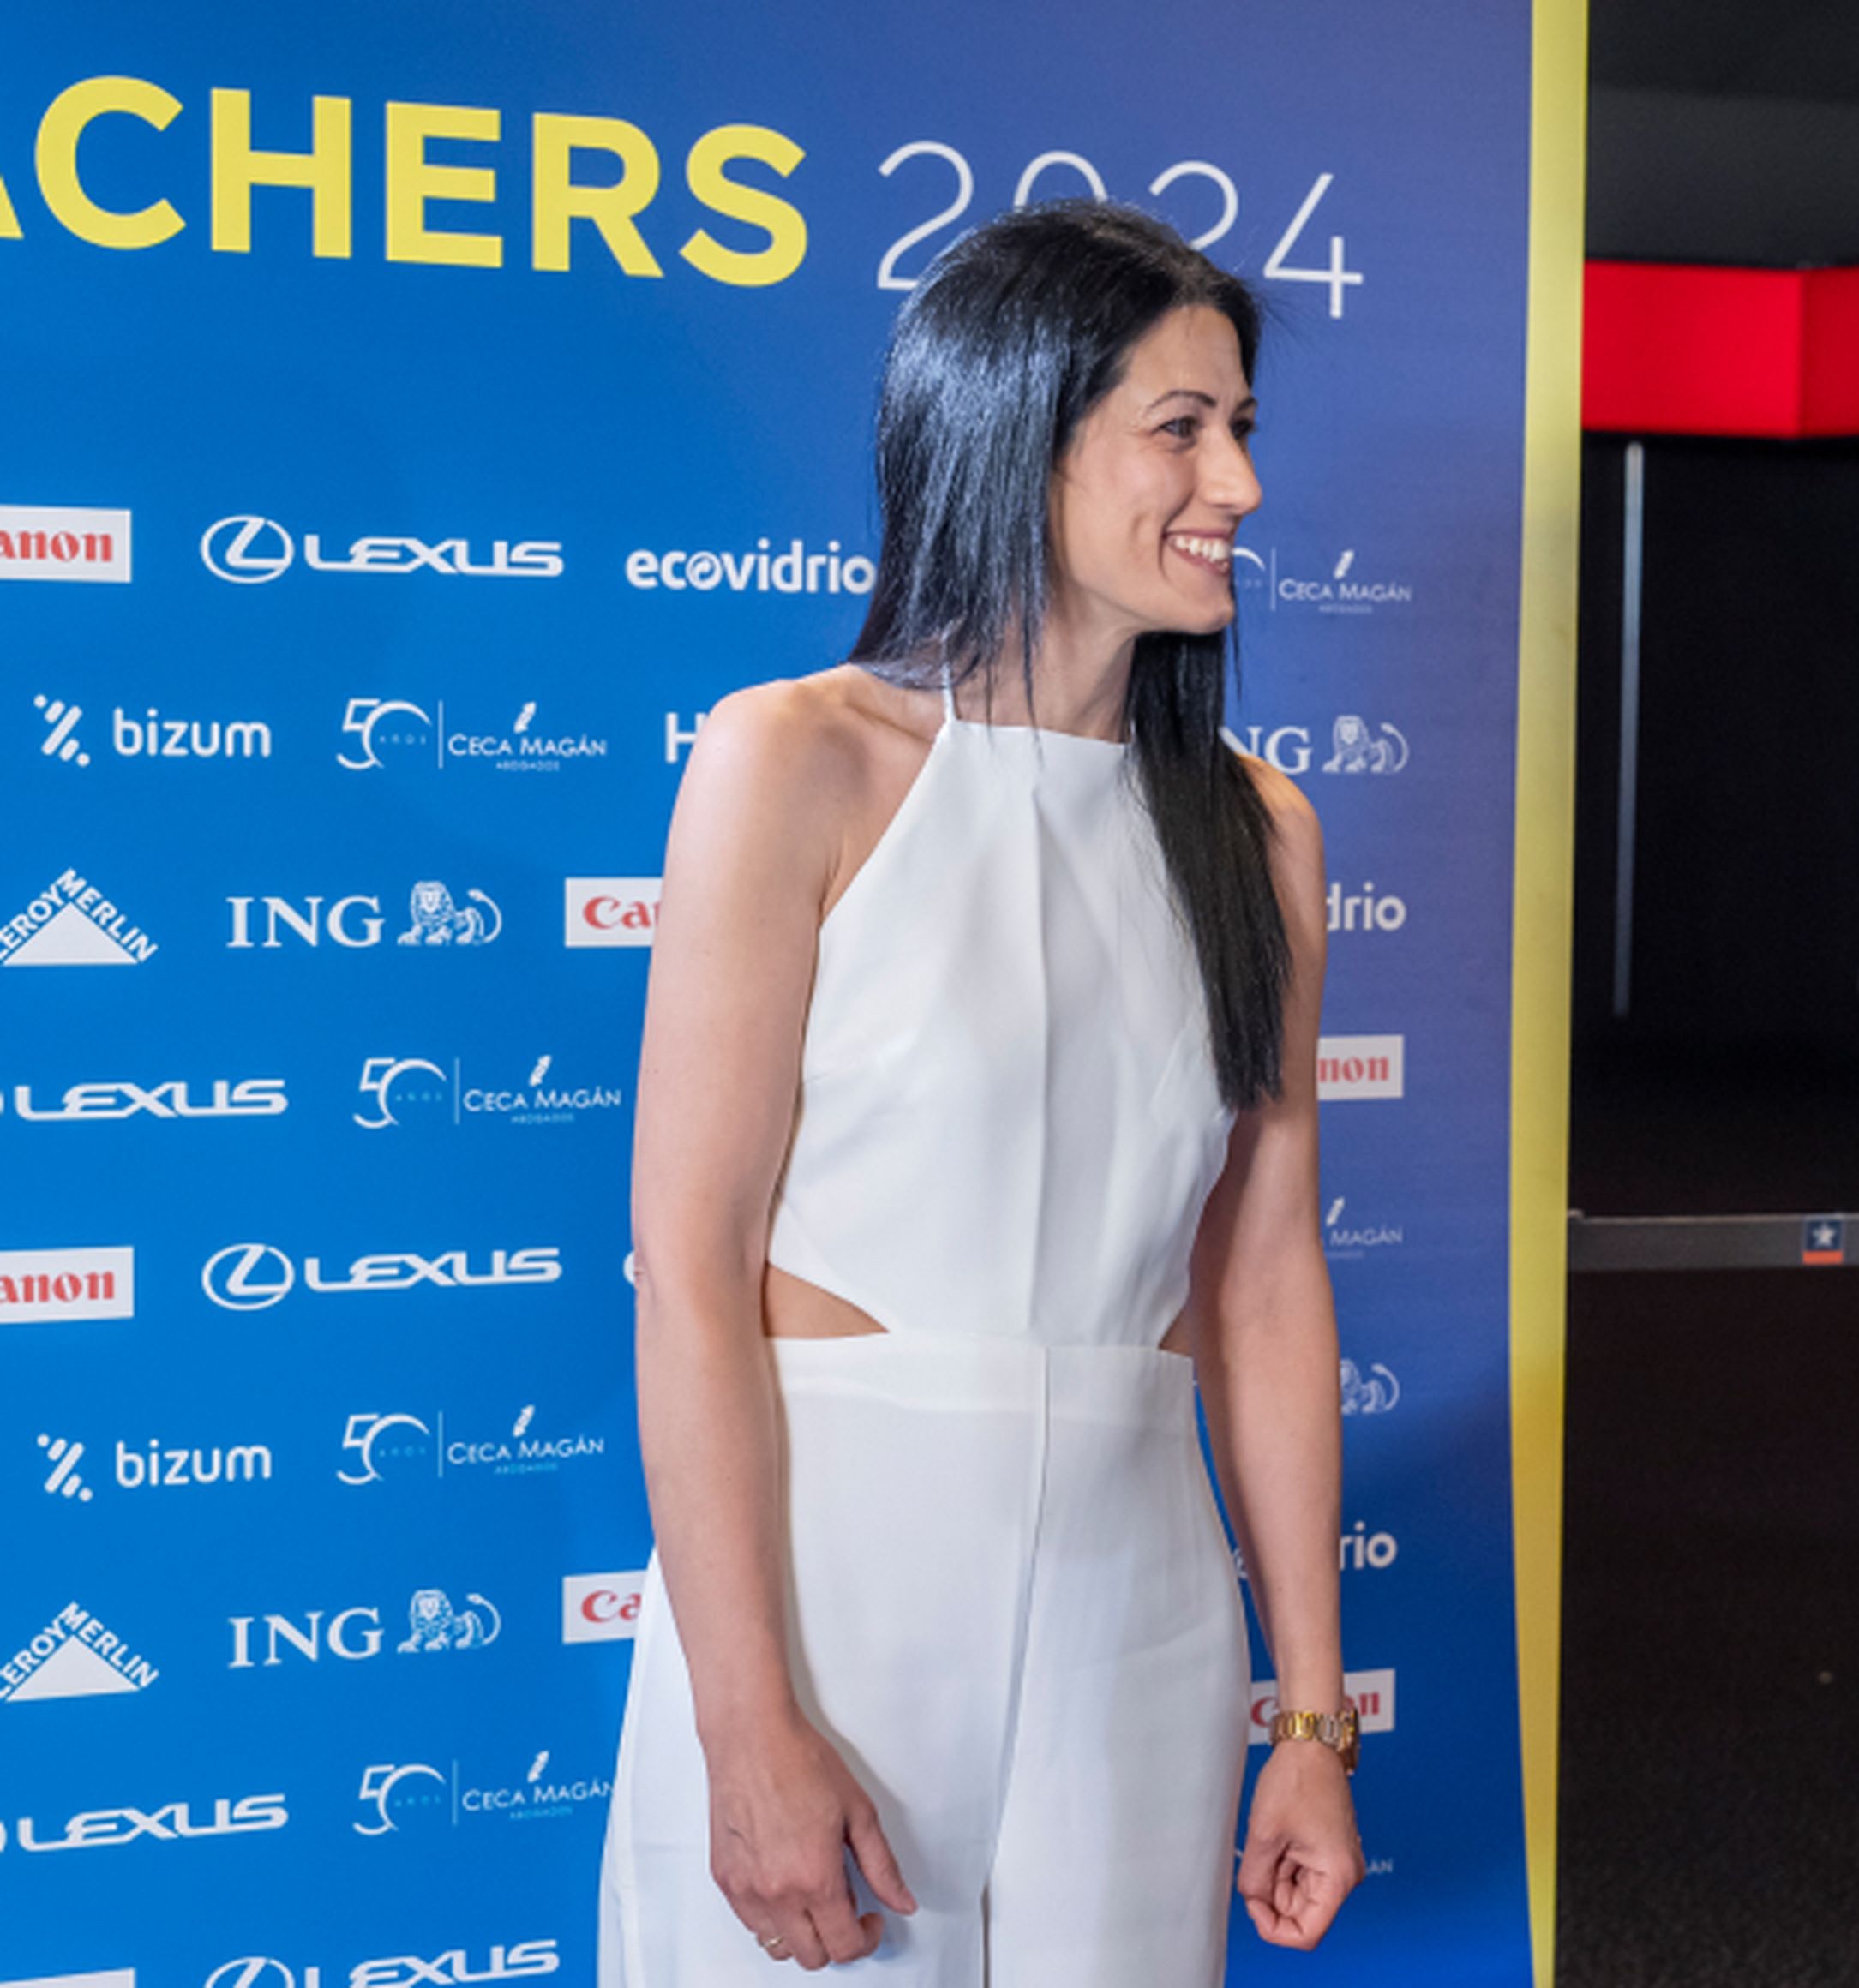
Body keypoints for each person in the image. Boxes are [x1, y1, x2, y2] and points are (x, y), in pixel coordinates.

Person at [599, 202, 1363, 1983]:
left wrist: (1311, 1722)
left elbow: (1259, 1279)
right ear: (1019, 429)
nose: (1237, 483)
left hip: (1143, 1601)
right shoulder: (792, 758)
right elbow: (688, 1264)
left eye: (1241, 428)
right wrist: (744, 1721)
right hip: (830, 1583)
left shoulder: (1262, 831)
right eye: (1181, 428)